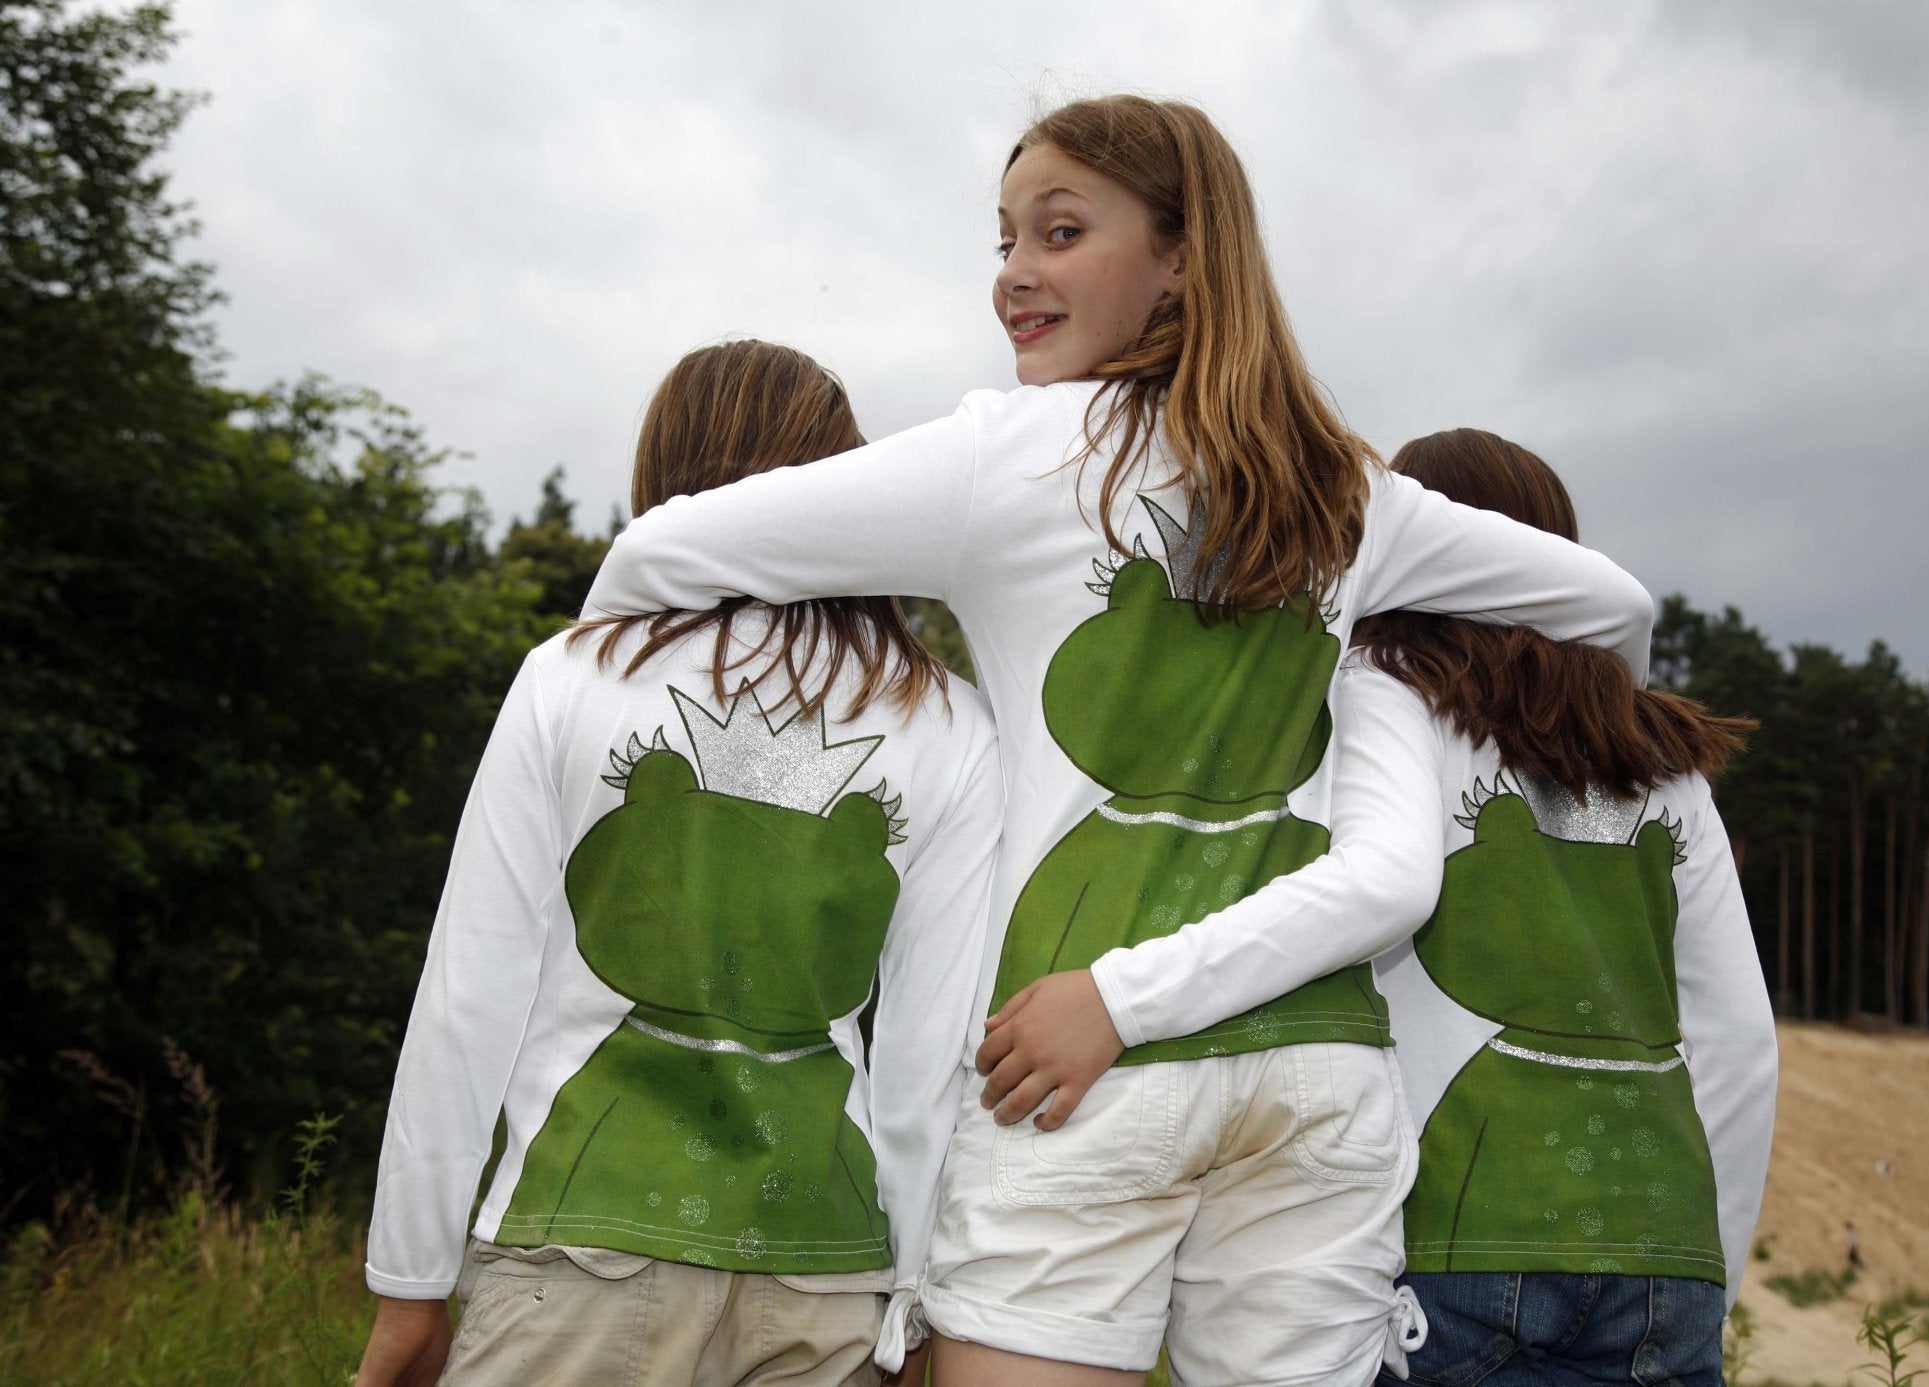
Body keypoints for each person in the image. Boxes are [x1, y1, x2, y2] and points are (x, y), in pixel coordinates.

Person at [580, 97, 1656, 1387]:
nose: (1014, 276)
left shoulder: (1007, 457)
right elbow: (1612, 607)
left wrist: (614, 699)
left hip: (1073, 1067)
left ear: (1183, 256)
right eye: (1003, 242)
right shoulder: (1351, 493)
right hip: (1313, 1080)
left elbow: (658, 551)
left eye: (1059, 232)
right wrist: (1399, 683)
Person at [355, 341, 1000, 1387]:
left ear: (667, 477)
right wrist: (906, 1307)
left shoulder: (570, 674)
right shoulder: (946, 721)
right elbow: (932, 1057)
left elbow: (468, 997)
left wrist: (409, 1279)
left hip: (577, 1257)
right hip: (824, 1274)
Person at [1340, 429, 1777, 1385]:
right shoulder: (1667, 765)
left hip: (1451, 1241)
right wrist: (1709, 1266)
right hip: (1668, 1257)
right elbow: (1739, 1039)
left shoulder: (1382, 714)